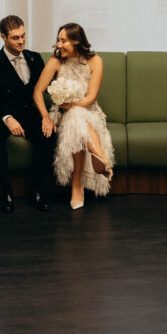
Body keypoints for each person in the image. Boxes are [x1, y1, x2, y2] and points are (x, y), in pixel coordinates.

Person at [0, 15, 56, 213]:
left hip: (28, 114)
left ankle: (36, 190)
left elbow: (49, 87)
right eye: (15, 38)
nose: (21, 41)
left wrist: (49, 115)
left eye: (23, 36)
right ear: (3, 37)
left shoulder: (34, 58)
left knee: (49, 134)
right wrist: (7, 118)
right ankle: (6, 192)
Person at [33, 22, 114, 210]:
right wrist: (45, 116)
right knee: (74, 117)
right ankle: (101, 158)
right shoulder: (55, 62)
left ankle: (77, 183)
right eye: (58, 40)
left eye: (64, 41)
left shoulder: (96, 62)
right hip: (61, 115)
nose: (58, 45)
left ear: (77, 42)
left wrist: (73, 105)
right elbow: (38, 91)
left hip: (89, 112)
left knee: (77, 115)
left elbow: (91, 98)